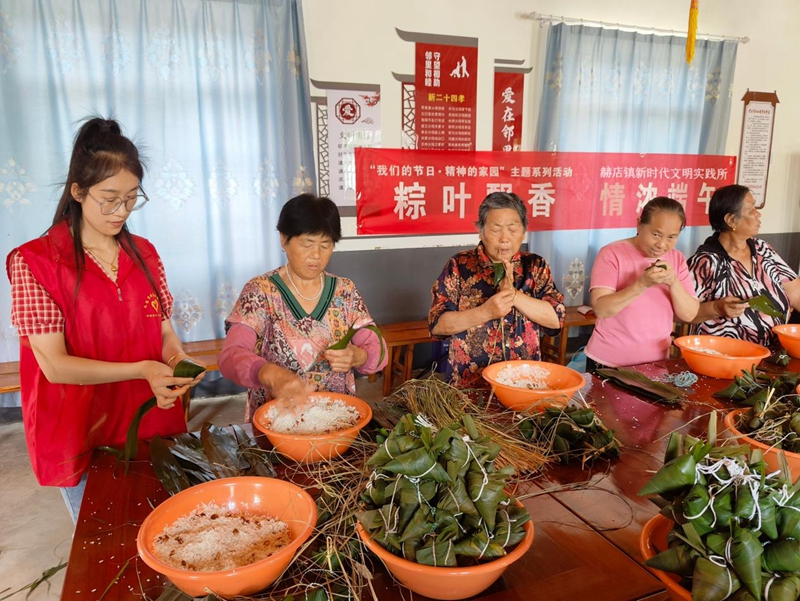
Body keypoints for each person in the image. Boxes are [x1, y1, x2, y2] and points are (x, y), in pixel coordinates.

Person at [6, 118, 203, 522]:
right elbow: (55, 366)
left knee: (167, 530)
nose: (122, 211)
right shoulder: (35, 262)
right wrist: (143, 369)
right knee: (104, 539)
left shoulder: (145, 254)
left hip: (151, 417)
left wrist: (177, 361)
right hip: (82, 429)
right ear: (78, 191)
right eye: (109, 199)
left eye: (131, 198)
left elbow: (164, 331)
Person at [219, 194, 387, 421]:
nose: (316, 255)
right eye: (307, 244)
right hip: (277, 421)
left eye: (325, 245)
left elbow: (379, 351)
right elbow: (231, 356)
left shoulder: (345, 292)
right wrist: (267, 372)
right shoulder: (260, 292)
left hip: (335, 421)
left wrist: (359, 356)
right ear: (283, 239)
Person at [428, 191, 565, 389]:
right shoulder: (459, 265)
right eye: (495, 229)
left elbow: (555, 321)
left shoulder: (535, 266)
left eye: (512, 229)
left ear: (524, 232)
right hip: (470, 385)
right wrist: (486, 312)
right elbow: (437, 325)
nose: (504, 239)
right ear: (480, 231)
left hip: (524, 384)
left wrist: (514, 295)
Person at [584, 197, 698, 370]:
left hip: (657, 362)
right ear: (639, 225)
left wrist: (673, 282)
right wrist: (642, 284)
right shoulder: (612, 253)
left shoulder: (677, 259)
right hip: (609, 362)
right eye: (656, 234)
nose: (661, 244)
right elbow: (601, 309)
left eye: (671, 237)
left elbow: (689, 314)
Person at [688, 184, 800, 350]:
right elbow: (682, 314)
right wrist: (717, 308)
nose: (758, 214)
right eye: (751, 209)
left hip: (774, 355)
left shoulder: (763, 249)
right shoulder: (706, 262)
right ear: (731, 220)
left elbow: (796, 292)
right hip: (725, 356)